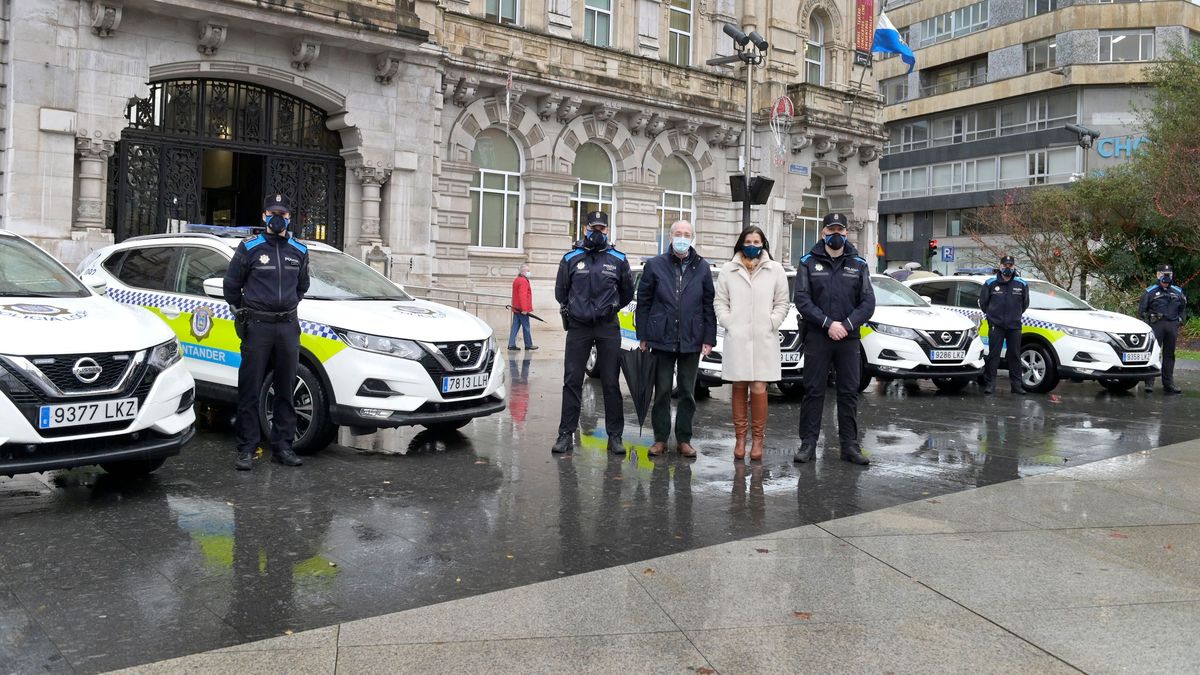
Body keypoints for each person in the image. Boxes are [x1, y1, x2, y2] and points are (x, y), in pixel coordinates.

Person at [223, 193, 310, 471]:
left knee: (285, 388)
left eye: (282, 214)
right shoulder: (249, 247)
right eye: (272, 213)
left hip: (287, 326)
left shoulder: (300, 249)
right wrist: (246, 311)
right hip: (257, 326)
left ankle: (283, 447)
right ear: (263, 217)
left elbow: (302, 286)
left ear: (289, 217)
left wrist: (284, 306)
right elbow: (231, 287)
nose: (277, 218)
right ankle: (247, 449)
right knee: (249, 388)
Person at [792, 213, 876, 466]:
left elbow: (868, 302)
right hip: (818, 335)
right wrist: (828, 324)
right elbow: (802, 299)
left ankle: (849, 445)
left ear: (846, 233)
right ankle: (808, 444)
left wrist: (846, 325)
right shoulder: (807, 262)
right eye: (831, 230)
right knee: (813, 391)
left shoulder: (858, 264)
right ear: (823, 233)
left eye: (840, 230)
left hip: (848, 338)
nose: (835, 235)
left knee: (849, 392)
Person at [551, 211, 634, 455]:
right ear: (585, 228)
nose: (597, 232)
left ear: (607, 231)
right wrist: (576, 310)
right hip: (579, 327)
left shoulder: (618, 259)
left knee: (610, 382)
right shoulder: (571, 258)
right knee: (572, 380)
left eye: (602, 228)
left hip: (608, 326)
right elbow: (560, 292)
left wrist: (612, 307)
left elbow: (627, 292)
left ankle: (615, 437)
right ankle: (566, 435)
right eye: (593, 227)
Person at [635, 220, 716, 458]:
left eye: (687, 234)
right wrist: (643, 335)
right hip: (661, 337)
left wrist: (708, 337)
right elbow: (644, 302)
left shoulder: (702, 267)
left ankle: (684, 439)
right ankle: (660, 438)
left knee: (688, 393)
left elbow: (707, 304)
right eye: (678, 233)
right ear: (670, 237)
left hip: (692, 337)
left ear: (693, 238)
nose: (682, 238)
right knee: (661, 392)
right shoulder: (655, 265)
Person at [714, 226, 791, 462]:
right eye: (748, 241)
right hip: (738, 338)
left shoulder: (774, 269)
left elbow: (782, 302)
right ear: (741, 243)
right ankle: (740, 438)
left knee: (759, 387)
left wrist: (772, 322)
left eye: (757, 241)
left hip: (764, 338)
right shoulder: (728, 270)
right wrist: (730, 322)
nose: (753, 245)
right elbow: (720, 302)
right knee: (738, 386)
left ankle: (758, 440)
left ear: (763, 244)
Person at [979, 255, 1029, 395]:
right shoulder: (990, 283)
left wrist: (1015, 316)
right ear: (1000, 266)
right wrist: (992, 317)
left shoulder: (1021, 284)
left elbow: (1025, 304)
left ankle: (1016, 386)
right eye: (1005, 265)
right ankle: (990, 385)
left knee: (1014, 355)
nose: (1008, 268)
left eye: (1010, 265)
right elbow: (984, 304)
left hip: (1014, 326)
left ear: (1014, 267)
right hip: (996, 325)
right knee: (994, 356)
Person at [1139, 263, 1186, 394]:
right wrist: (1149, 318)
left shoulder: (1178, 291)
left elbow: (1182, 309)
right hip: (1156, 325)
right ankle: (1149, 382)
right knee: (1153, 353)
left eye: (1169, 274)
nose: (1166, 278)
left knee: (1169, 355)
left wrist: (1180, 321)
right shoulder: (1150, 291)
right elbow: (1142, 311)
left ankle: (1168, 383)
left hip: (1171, 326)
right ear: (1157, 275)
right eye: (1163, 274)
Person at [508, 264, 537, 351]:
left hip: (516, 307)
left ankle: (511, 344)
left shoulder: (517, 280)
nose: (529, 272)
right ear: (523, 272)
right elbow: (523, 295)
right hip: (521, 309)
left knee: (515, 327)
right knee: (526, 326)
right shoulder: (523, 281)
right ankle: (528, 344)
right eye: (528, 271)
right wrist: (524, 309)